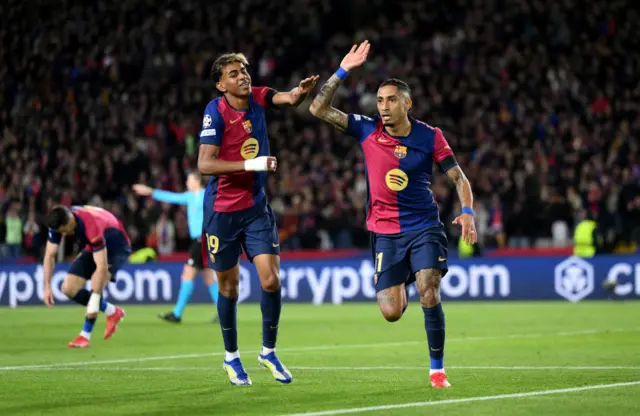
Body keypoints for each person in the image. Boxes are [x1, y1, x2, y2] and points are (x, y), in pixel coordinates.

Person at [309, 41, 477, 388]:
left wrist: (468, 212)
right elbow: (318, 109)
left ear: (407, 103)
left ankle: (437, 370)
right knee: (391, 312)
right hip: (385, 232)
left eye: (390, 100)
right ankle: (402, 277)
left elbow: (458, 177)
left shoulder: (430, 136)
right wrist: (342, 71)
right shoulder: (367, 129)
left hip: (425, 225)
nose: (383, 107)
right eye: (380, 100)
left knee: (429, 291)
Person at [197, 52, 318, 386]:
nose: (243, 76)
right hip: (222, 212)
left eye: (245, 70)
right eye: (234, 73)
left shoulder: (259, 98)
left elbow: (288, 99)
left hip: (255, 209)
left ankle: (268, 351)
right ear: (221, 84)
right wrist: (253, 164)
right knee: (230, 287)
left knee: (271, 280)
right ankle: (231, 357)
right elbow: (205, 165)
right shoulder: (216, 111)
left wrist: (299, 92)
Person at [133, 171, 220, 324]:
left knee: (188, 274)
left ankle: (177, 313)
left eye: (189, 180)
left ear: (197, 181)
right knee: (208, 278)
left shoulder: (205, 195)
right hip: (200, 241)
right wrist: (150, 191)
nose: (187, 182)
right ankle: (223, 312)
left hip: (202, 241)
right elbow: (171, 197)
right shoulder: (189, 196)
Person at [42, 205, 129, 348]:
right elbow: (49, 255)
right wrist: (47, 287)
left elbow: (101, 267)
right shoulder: (59, 220)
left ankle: (85, 336)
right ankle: (112, 311)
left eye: (63, 231)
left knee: (96, 285)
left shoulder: (91, 225)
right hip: (94, 245)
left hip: (116, 247)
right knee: (68, 288)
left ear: (69, 222)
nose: (62, 235)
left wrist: (96, 295)